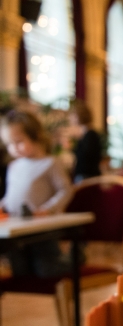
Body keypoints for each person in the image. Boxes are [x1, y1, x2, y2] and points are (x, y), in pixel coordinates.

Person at [0, 110, 72, 277]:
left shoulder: (50, 163)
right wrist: (2, 205)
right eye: (10, 144)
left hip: (42, 228)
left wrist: (48, 209)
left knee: (47, 269)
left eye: (19, 142)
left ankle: (75, 258)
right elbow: (11, 195)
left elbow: (65, 190)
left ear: (36, 136)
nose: (14, 148)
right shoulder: (13, 167)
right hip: (17, 226)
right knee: (20, 270)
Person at [69, 100, 102, 182]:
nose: (70, 118)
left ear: (79, 116)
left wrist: (72, 147)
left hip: (87, 177)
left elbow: (86, 158)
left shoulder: (90, 135)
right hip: (86, 175)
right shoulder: (86, 134)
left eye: (73, 115)